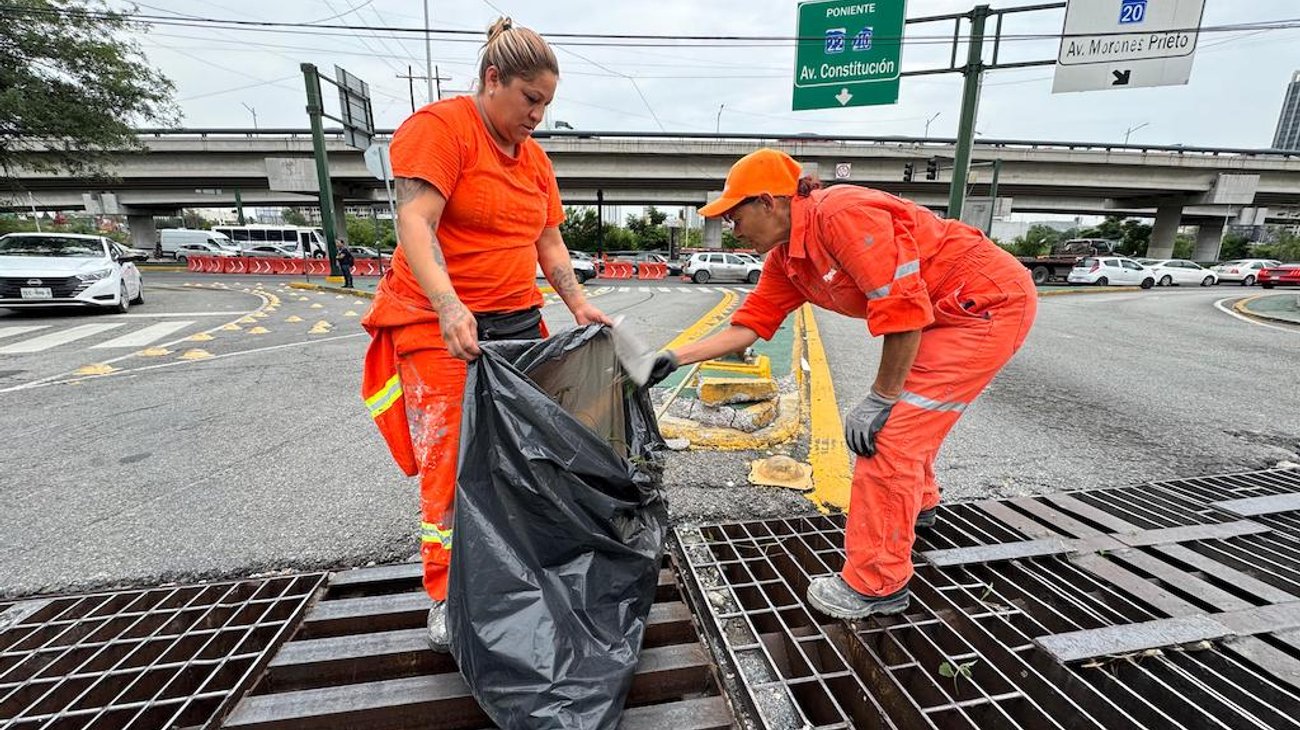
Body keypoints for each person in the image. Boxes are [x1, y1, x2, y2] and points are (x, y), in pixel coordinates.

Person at [646, 148, 1036, 619]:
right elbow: (749, 327)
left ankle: (876, 584)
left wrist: (880, 398)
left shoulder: (842, 214)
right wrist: (672, 357)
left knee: (888, 438)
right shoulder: (787, 259)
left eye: (735, 215)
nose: (734, 229)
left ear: (768, 202)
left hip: (981, 305)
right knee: (905, 428)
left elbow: (903, 311)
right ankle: (917, 509)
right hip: (936, 313)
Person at [360, 17, 610, 651]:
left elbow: (547, 240)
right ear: (493, 78)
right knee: (451, 463)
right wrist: (448, 305)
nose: (539, 116)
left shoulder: (535, 160)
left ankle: (512, 568)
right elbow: (416, 221)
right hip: (436, 323)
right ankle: (446, 592)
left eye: (547, 104)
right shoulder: (442, 131)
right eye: (531, 100)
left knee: (522, 456)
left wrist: (578, 304)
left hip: (516, 321)